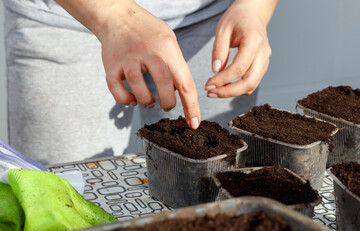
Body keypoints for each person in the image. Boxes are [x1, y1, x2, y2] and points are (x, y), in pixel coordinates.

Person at [3, 0, 278, 165]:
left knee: (218, 189)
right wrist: (112, 15)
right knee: (65, 195)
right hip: (69, 17)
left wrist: (255, 7)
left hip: (212, 19)